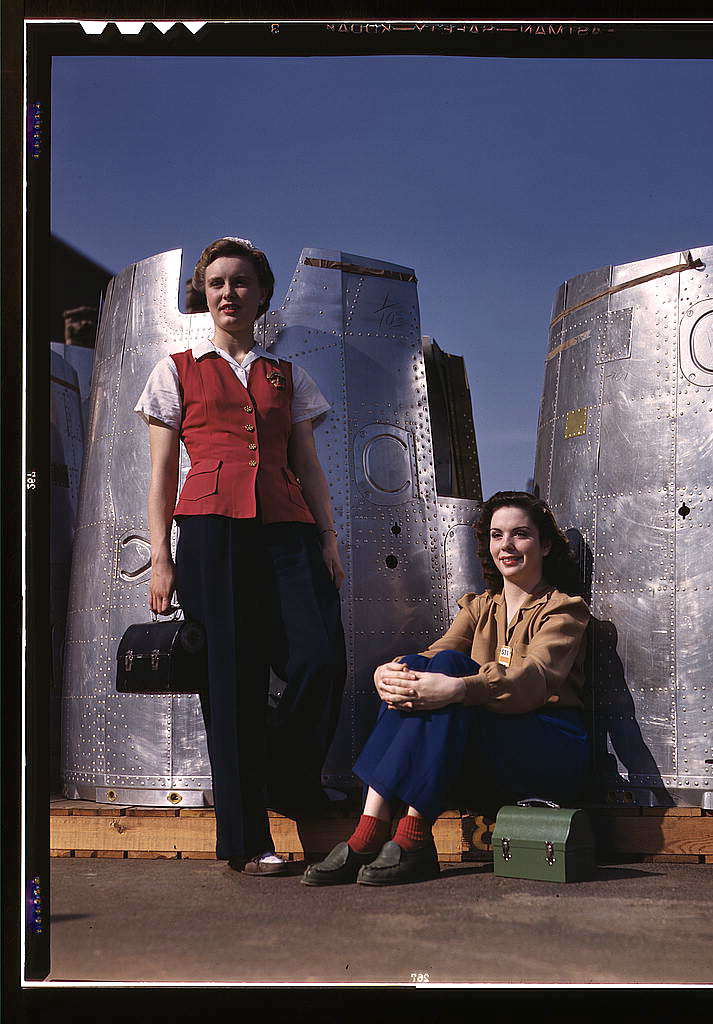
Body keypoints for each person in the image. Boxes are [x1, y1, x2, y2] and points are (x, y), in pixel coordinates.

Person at [134, 236, 347, 876]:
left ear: (261, 294)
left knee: (320, 658)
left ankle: (285, 777)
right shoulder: (175, 369)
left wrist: (328, 539)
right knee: (231, 684)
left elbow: (307, 465)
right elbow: (162, 473)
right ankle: (246, 839)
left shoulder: (289, 375)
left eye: (242, 282)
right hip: (209, 534)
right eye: (218, 282)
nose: (230, 293)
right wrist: (162, 558)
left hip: (287, 531)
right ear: (204, 293)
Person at [303, 490, 590, 887]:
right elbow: (434, 655)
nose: (506, 546)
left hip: (547, 748)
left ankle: (409, 837)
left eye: (520, 534)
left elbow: (534, 679)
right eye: (496, 535)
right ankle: (373, 827)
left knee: (453, 673)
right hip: (490, 744)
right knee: (425, 666)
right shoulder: (479, 607)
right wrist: (390, 674)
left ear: (544, 544)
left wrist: (457, 690)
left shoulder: (563, 610)